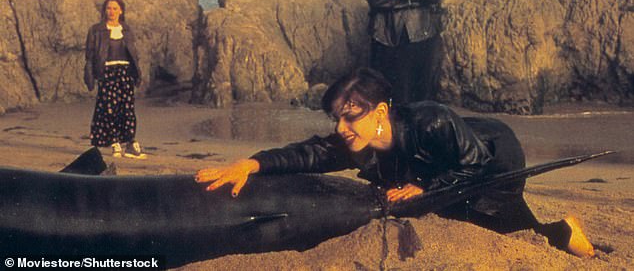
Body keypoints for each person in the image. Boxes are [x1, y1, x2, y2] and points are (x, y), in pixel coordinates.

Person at [195, 68, 595, 258]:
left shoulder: (430, 119)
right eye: (337, 117)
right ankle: (556, 229)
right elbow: (310, 153)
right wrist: (251, 164)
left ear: (381, 111)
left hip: (492, 157)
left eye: (351, 116)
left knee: (510, 226)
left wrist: (426, 188)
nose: (342, 127)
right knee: (468, 219)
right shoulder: (359, 139)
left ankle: (567, 233)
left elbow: (473, 161)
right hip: (444, 171)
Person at [84, 0, 146, 159]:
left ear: (121, 11)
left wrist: (137, 73)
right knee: (109, 108)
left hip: (125, 72)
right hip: (107, 72)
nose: (111, 12)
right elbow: (89, 56)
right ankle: (114, 142)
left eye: (114, 8)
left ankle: (130, 142)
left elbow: (134, 54)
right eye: (108, 8)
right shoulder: (96, 30)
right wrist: (90, 77)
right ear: (105, 10)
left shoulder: (126, 30)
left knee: (127, 108)